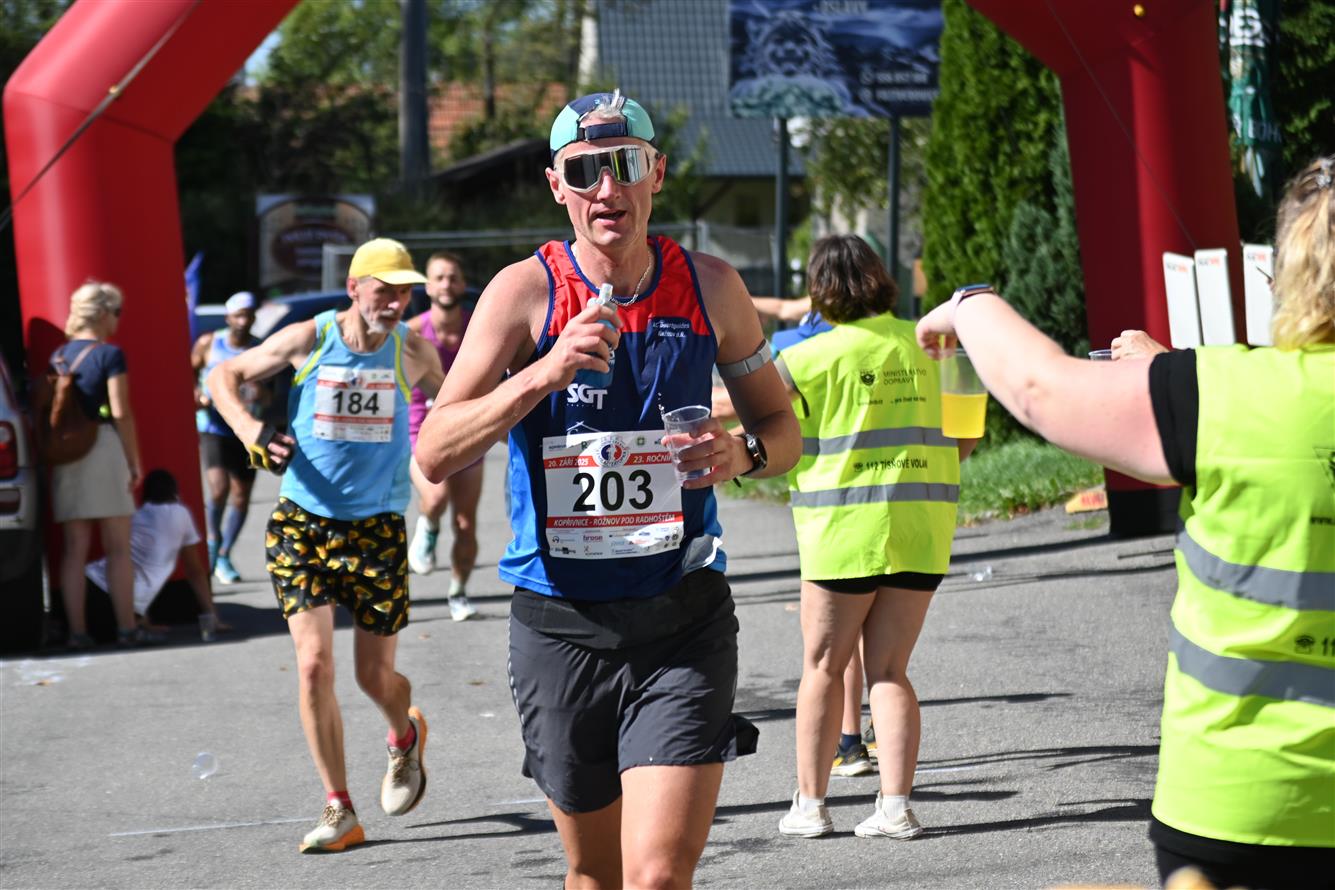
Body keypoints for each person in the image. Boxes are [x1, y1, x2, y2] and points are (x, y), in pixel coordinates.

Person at [912, 156, 1334, 889]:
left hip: (1240, 805)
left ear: (1288, 273)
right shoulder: (1213, 390)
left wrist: (969, 304)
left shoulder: (1219, 396)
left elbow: (1040, 387)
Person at [415, 88, 800, 888]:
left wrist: (741, 455)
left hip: (682, 617)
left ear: (655, 173)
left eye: (624, 164)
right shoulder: (522, 292)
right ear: (556, 186)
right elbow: (435, 452)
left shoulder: (711, 287)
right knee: (595, 874)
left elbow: (781, 428)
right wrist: (541, 373)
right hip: (561, 625)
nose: (605, 187)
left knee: (655, 875)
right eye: (583, 170)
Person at [207, 237, 445, 853]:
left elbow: (457, 406)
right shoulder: (308, 338)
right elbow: (222, 373)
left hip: (376, 530)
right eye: (384, 290)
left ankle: (404, 736)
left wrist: (440, 469)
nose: (395, 302)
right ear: (354, 288)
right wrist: (250, 428)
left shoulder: (412, 351)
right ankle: (339, 807)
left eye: (404, 293)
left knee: (374, 678)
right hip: (302, 524)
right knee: (313, 664)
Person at [773, 234, 978, 840]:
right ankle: (895, 808)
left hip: (840, 533)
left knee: (822, 667)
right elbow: (967, 436)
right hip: (920, 531)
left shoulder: (808, 357)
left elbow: (752, 418)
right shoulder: (941, 348)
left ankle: (811, 807)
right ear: (881, 279)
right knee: (890, 670)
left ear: (820, 291)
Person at [46, 281, 148, 650]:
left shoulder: (58, 357)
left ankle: (77, 632)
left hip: (66, 452)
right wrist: (134, 461)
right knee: (117, 546)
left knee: (74, 548)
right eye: (117, 312)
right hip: (103, 447)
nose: (118, 320)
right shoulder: (110, 355)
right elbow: (120, 412)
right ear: (103, 314)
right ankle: (126, 628)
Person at [405, 251, 483, 622]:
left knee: (465, 523)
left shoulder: (478, 327)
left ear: (462, 284)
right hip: (421, 429)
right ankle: (429, 526)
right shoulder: (411, 332)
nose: (446, 284)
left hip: (468, 430)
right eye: (439, 277)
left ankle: (458, 592)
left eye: (453, 277)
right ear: (427, 286)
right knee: (435, 498)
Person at [85, 469, 229, 636]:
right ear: (175, 492)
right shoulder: (180, 513)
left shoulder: (137, 516)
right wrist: (212, 615)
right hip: (116, 598)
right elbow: (194, 571)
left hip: (91, 583)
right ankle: (135, 625)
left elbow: (140, 565)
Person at [191, 291, 265, 585]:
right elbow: (189, 371)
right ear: (228, 317)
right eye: (239, 315)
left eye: (248, 315)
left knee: (241, 494)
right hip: (213, 426)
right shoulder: (210, 343)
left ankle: (224, 553)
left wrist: (261, 393)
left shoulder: (260, 348)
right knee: (218, 488)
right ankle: (212, 541)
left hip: (246, 428)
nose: (243, 321)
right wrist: (197, 395)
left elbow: (270, 393)